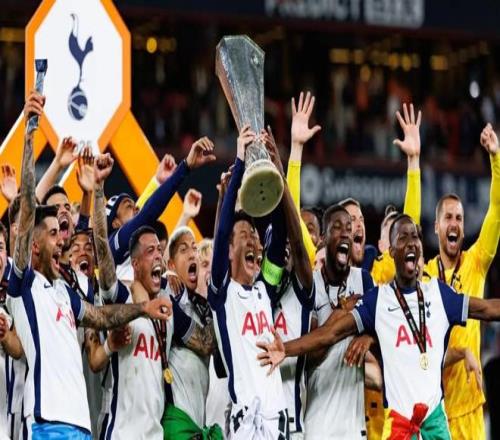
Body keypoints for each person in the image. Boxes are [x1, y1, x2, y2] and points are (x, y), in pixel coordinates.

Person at [7, 90, 172, 440]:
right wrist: (30, 134)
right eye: (53, 234)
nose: (61, 240)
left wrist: (143, 308)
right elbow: (26, 210)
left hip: (81, 424)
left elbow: (101, 316)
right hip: (46, 423)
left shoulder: (64, 292)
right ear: (33, 246)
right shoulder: (23, 285)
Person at [258, 213, 500, 439]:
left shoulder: (439, 294)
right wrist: (285, 349)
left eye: (415, 236)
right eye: (402, 237)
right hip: (397, 428)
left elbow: (487, 309)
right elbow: (330, 333)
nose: (411, 242)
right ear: (391, 251)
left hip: (435, 426)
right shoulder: (378, 300)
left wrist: (369, 338)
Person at [92, 153, 218, 439]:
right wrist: (98, 190)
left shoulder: (168, 306)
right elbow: (102, 251)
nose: (158, 255)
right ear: (135, 264)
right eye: (150, 251)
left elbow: (206, 342)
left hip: (156, 434)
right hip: (121, 433)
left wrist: (218, 297)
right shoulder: (120, 295)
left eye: (159, 250)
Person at [208, 124, 289, 439]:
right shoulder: (222, 294)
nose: (254, 240)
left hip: (277, 420)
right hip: (246, 421)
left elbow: (278, 238)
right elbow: (221, 234)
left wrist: (273, 168)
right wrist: (240, 162)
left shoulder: (265, 290)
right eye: (245, 235)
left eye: (254, 235)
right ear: (230, 250)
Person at [422, 122, 500, 439]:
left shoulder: (476, 263)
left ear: (463, 229)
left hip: (469, 411)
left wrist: (495, 158)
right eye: (448, 218)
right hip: (433, 411)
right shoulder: (424, 276)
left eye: (459, 218)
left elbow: (497, 210)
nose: (454, 223)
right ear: (437, 227)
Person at [304, 204, 375, 439]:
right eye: (337, 227)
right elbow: (308, 356)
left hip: (354, 427)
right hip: (317, 425)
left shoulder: (364, 281)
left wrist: (369, 337)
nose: (345, 233)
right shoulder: (310, 286)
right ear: (323, 239)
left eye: (349, 228)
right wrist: (340, 314)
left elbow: (383, 334)